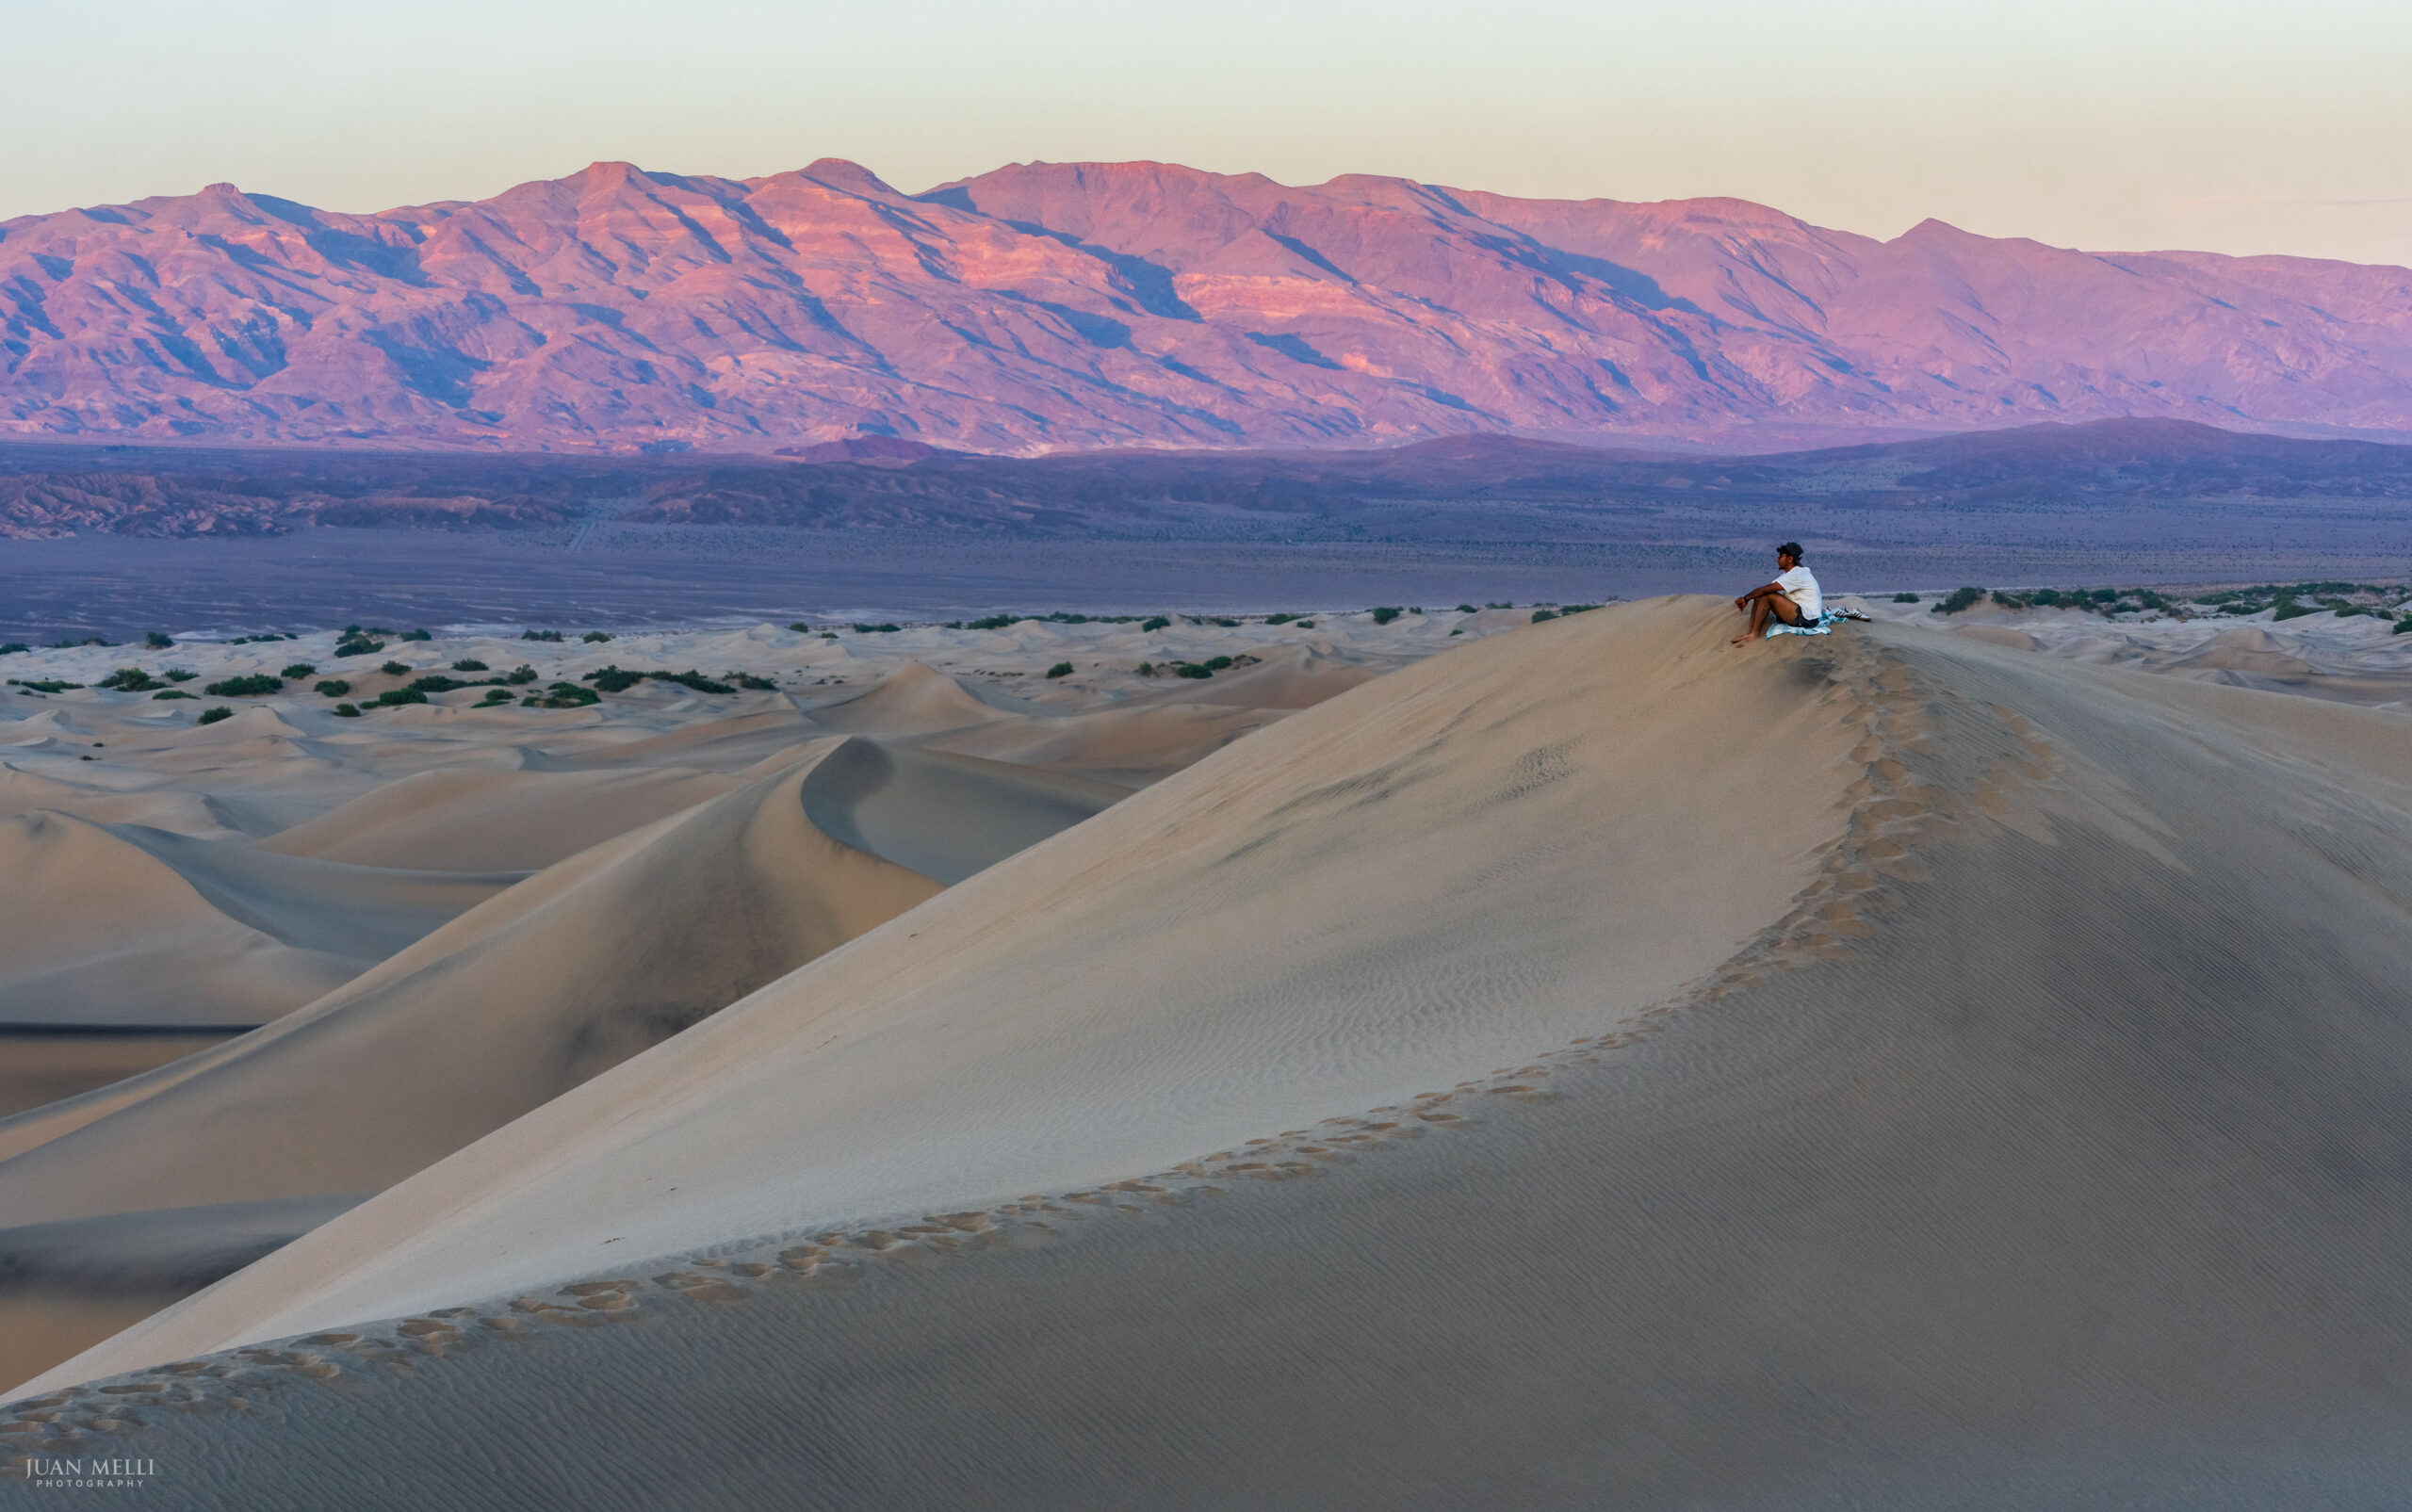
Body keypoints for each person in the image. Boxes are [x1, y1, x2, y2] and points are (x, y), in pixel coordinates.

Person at [1731, 543, 1823, 645]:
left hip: (1807, 619)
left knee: (1767, 595)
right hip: (1799, 613)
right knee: (1760, 595)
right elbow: (1764, 590)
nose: (1777, 560)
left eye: (1780, 556)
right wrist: (1747, 598)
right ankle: (1750, 632)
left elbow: (1766, 590)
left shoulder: (1798, 574)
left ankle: (1754, 635)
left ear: (1790, 559)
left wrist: (1745, 599)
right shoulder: (1790, 575)